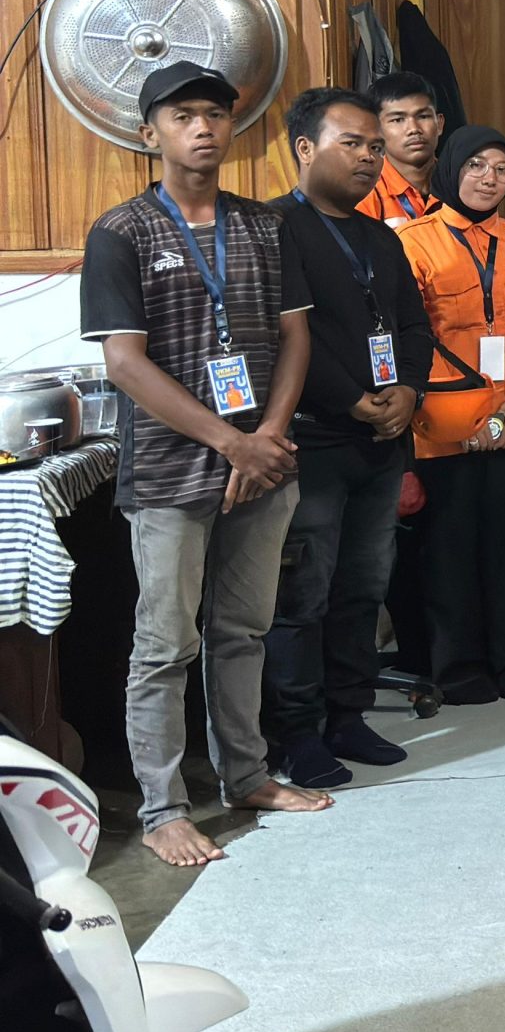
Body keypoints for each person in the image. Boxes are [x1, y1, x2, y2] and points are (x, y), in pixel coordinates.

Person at [79, 63, 328, 866]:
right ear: (149, 132)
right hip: (169, 472)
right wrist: (232, 441)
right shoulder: (121, 233)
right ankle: (163, 809)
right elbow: (125, 363)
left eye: (216, 114)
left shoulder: (264, 226)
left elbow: (295, 338)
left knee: (243, 630)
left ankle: (246, 776)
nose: (203, 128)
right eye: (183, 115)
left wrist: (269, 436)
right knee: (164, 644)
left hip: (266, 464)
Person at [262, 88, 433, 790]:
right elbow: (284, 338)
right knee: (302, 597)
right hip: (312, 444)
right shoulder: (274, 229)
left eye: (374, 146)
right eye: (353, 143)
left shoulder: (379, 237)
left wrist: (409, 391)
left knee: (364, 588)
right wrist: (352, 400)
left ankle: (348, 715)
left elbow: (414, 326)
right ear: (305, 148)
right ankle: (295, 734)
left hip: (380, 442)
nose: (369, 157)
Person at [401, 125, 505, 704]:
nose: (489, 178)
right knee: (450, 552)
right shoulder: (414, 242)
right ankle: (460, 667)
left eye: (502, 169)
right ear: (451, 168)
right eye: (476, 165)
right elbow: (408, 335)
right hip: (446, 428)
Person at [359, 70, 445, 229]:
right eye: (398, 120)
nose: (413, 129)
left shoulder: (464, 186)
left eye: (423, 116)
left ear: (439, 124)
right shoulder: (363, 195)